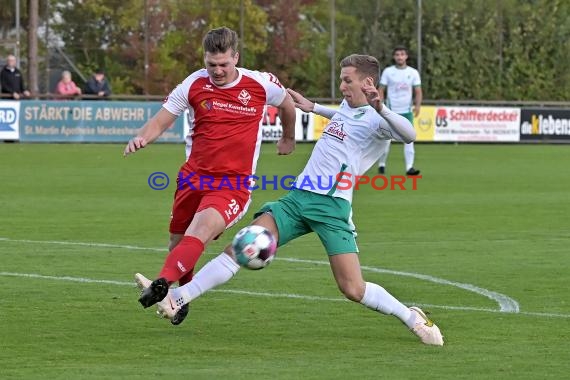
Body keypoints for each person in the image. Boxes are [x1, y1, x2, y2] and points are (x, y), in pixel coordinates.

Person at [136, 54, 444, 346]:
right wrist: (315, 107)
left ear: (367, 83)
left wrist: (382, 108)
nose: (342, 86)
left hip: (332, 208)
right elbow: (347, 118)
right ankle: (179, 298)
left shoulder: (378, 120)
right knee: (241, 248)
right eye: (341, 79)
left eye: (347, 80)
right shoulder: (349, 108)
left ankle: (411, 316)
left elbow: (408, 135)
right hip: (298, 198)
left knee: (353, 288)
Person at [126, 26, 297, 324]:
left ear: (236, 58)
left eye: (223, 64)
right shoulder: (193, 84)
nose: (217, 71)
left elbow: (287, 104)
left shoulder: (260, 83)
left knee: (200, 232)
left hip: (233, 184)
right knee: (177, 244)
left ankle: (163, 284)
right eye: (211, 64)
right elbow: (161, 120)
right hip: (193, 178)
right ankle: (180, 298)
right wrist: (142, 137)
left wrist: (288, 137)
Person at [377, 46, 422, 175]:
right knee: (385, 140)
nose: (400, 57)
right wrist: (379, 106)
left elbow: (418, 91)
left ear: (406, 56)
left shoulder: (413, 72)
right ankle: (381, 164)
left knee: (409, 139)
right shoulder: (388, 72)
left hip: (406, 112)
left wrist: (418, 106)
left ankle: (409, 168)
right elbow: (381, 89)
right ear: (394, 57)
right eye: (397, 54)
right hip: (390, 111)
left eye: (402, 54)